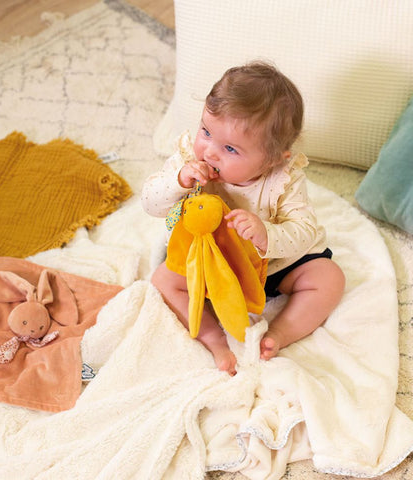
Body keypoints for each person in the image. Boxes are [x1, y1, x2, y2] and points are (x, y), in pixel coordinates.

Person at [141, 61, 345, 376]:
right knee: (162, 282)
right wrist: (177, 181)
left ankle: (280, 333)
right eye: (206, 131)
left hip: (272, 266)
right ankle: (214, 339)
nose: (209, 152)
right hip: (209, 262)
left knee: (329, 278)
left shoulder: (284, 181)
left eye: (231, 149)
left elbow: (305, 230)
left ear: (274, 159)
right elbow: (150, 203)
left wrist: (267, 234)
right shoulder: (188, 161)